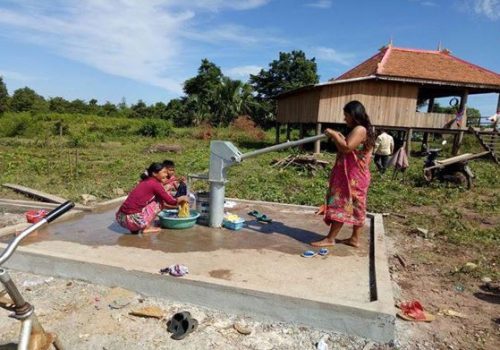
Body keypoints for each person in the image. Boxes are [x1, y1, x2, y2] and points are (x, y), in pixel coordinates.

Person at [311, 100, 375, 248]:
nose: (344, 118)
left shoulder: (360, 129)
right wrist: (338, 137)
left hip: (352, 177)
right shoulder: (362, 129)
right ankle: (354, 239)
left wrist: (334, 134)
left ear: (353, 115)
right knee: (358, 206)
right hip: (358, 176)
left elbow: (346, 148)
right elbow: (346, 148)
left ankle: (330, 239)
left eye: (346, 115)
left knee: (341, 203)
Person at [116, 162, 189, 234]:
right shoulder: (155, 184)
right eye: (164, 172)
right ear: (154, 173)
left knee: (143, 203)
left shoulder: (146, 181)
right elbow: (171, 201)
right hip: (133, 220)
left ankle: (135, 228)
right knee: (159, 202)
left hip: (121, 219)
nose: (166, 174)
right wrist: (182, 198)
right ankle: (146, 228)